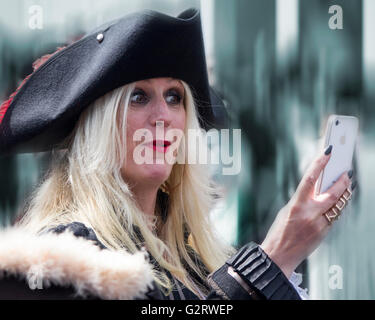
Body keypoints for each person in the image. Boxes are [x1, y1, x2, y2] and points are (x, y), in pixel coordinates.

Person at [0, 8, 354, 300]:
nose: (164, 116)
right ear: (98, 127)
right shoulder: (62, 262)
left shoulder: (198, 261)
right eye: (139, 96)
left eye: (174, 97)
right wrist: (274, 257)